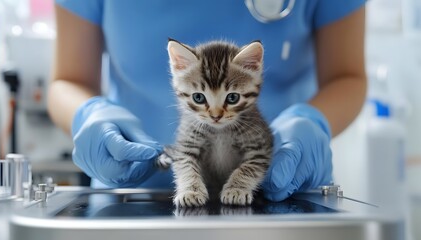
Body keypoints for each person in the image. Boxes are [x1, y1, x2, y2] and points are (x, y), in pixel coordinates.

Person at [48, 0, 366, 201]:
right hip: (128, 197)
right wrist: (89, 115)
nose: (215, 113)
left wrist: (312, 122)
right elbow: (67, 80)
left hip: (281, 193)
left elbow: (347, 74)